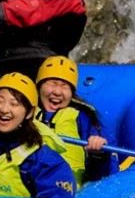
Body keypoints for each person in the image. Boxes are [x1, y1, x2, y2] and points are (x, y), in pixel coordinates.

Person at [34, 56, 117, 187]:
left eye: (65, 86)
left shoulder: (82, 117)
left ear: (72, 92)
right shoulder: (24, 113)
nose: (57, 92)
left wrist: (99, 154)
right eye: (52, 83)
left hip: (68, 190)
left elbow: (105, 174)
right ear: (39, 86)